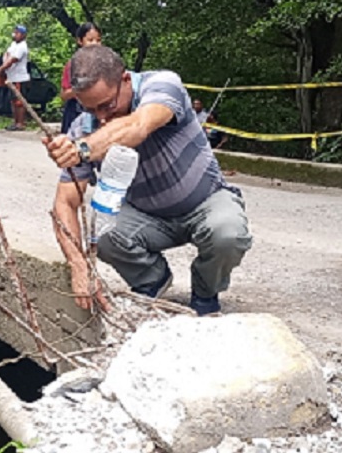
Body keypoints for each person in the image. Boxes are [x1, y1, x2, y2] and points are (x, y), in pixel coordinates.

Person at [44, 45, 252, 316]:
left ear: (126, 79)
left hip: (206, 201)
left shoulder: (162, 85)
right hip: (147, 216)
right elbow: (64, 202)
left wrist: (82, 150)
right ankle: (151, 279)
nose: (101, 117)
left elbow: (138, 125)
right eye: (90, 109)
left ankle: (205, 292)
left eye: (107, 105)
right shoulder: (83, 128)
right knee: (102, 233)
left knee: (228, 234)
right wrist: (78, 264)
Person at [60, 22, 103, 134]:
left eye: (98, 40)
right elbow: (64, 95)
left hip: (99, 110)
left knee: (95, 146)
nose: (95, 44)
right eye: (90, 40)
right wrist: (82, 87)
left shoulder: (106, 64)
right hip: (76, 110)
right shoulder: (72, 65)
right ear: (80, 41)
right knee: (75, 146)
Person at [0, 25, 30, 131]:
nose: (15, 34)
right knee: (13, 101)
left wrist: (1, 68)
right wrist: (5, 60)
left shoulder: (22, 46)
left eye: (18, 33)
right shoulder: (13, 45)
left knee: (19, 102)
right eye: (15, 32)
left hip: (20, 78)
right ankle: (15, 122)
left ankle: (21, 123)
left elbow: (12, 60)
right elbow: (7, 54)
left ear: (23, 35)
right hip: (11, 77)